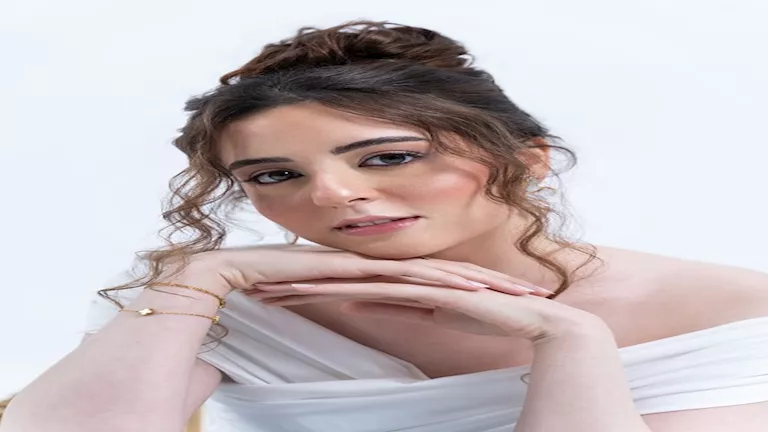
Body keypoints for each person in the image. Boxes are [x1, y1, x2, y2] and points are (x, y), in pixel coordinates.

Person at [2, 20, 767, 432]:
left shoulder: (733, 312)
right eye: (274, 176)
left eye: (389, 157)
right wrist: (200, 277)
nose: (333, 195)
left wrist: (569, 341)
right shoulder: (217, 304)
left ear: (528, 158)